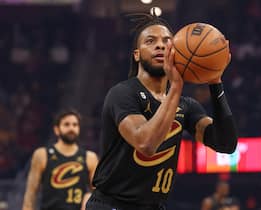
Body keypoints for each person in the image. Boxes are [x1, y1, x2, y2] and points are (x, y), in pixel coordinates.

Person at [86, 12, 238, 210]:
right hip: (112, 204)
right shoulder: (123, 93)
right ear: (137, 54)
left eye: (167, 41)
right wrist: (175, 87)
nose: (160, 45)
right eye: (150, 41)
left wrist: (215, 82)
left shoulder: (186, 106)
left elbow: (226, 144)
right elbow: (146, 143)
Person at [22, 108, 99, 210]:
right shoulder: (42, 154)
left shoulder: (90, 157)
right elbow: (31, 193)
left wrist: (88, 198)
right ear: (56, 130)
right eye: (66, 124)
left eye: (75, 125)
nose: (71, 128)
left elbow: (98, 193)